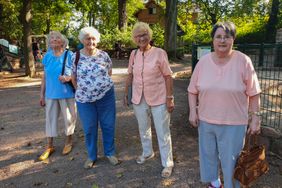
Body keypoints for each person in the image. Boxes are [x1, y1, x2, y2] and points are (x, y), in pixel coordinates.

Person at [188, 21, 261, 188]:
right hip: (206, 121)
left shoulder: (243, 60)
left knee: (232, 162)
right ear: (212, 40)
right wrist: (193, 111)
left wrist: (255, 117)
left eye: (227, 37)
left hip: (234, 123)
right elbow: (192, 90)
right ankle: (214, 184)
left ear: (233, 40)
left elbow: (254, 92)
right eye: (218, 37)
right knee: (208, 157)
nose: (222, 41)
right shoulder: (203, 62)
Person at [124, 22, 175, 178]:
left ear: (149, 36)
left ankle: (167, 163)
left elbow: (168, 76)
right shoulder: (133, 54)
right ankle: (147, 152)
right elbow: (130, 75)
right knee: (143, 128)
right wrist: (126, 93)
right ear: (134, 38)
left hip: (159, 97)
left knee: (162, 131)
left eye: (144, 34)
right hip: (139, 97)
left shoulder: (159, 53)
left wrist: (170, 98)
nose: (141, 38)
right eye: (138, 35)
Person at [71, 27, 119, 169]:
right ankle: (92, 156)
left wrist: (99, 86)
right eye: (87, 38)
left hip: (106, 96)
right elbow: (73, 77)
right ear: (82, 40)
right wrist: (80, 90)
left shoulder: (104, 55)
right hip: (84, 99)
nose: (90, 41)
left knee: (108, 125)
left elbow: (109, 72)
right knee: (90, 127)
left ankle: (110, 153)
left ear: (96, 40)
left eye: (93, 38)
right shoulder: (75, 56)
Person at [39, 31, 77, 161]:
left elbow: (77, 74)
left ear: (63, 42)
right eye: (51, 38)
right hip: (50, 94)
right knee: (50, 120)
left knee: (69, 118)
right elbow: (44, 77)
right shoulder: (47, 56)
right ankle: (49, 146)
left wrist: (67, 78)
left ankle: (68, 142)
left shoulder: (70, 55)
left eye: (56, 38)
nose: (53, 40)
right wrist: (41, 95)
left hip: (67, 94)